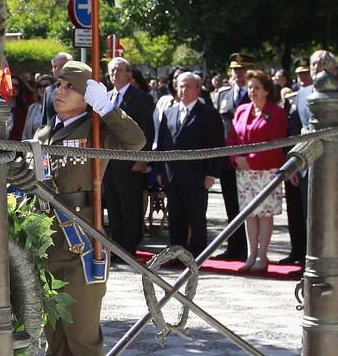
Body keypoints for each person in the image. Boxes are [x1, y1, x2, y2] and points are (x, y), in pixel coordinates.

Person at [35, 60, 146, 356]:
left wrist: (108, 107)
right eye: (58, 84)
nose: (59, 91)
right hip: (48, 247)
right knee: (56, 343)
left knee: (83, 339)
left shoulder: (97, 129)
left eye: (69, 86)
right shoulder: (45, 132)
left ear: (87, 96)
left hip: (82, 246)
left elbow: (135, 141)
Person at [282, 49, 338, 265]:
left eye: (322, 64)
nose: (317, 67)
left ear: (332, 69)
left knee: (332, 214)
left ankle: (333, 259)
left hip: (334, 165)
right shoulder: (300, 94)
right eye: (314, 64)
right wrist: (296, 166)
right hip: (308, 165)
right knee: (308, 215)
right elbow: (300, 131)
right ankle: (309, 257)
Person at [155, 72, 223, 256]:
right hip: (172, 175)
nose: (183, 90)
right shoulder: (169, 112)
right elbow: (162, 143)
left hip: (196, 176)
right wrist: (160, 170)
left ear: (197, 89)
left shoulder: (208, 114)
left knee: (196, 218)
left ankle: (197, 255)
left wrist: (211, 173)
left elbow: (215, 146)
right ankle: (177, 254)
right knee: (176, 218)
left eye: (188, 86)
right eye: (180, 86)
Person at [226, 69, 288, 272]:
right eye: (250, 87)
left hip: (267, 171)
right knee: (249, 214)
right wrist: (237, 158)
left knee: (264, 214)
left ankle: (263, 256)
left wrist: (251, 160)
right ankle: (251, 255)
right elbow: (233, 138)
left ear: (267, 90)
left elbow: (276, 144)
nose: (252, 91)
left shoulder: (276, 113)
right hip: (244, 172)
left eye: (257, 88)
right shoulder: (242, 110)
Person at [102, 58, 156, 255]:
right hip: (108, 162)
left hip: (131, 162)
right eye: (111, 71)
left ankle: (130, 248)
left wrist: (143, 158)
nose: (114, 74)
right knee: (113, 206)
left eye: (118, 70)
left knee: (130, 206)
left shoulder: (141, 98)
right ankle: (117, 248)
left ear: (129, 74)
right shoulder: (105, 97)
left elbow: (147, 130)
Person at [213, 55, 252, 261]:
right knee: (230, 205)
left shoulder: (256, 95)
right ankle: (234, 246)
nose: (238, 74)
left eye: (243, 70)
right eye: (235, 70)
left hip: (248, 159)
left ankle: (249, 249)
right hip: (227, 160)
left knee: (250, 206)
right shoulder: (223, 95)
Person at [41, 51, 71, 127]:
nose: (57, 69)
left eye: (61, 66)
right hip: (51, 135)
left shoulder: (77, 89)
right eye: (54, 67)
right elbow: (45, 119)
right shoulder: (48, 90)